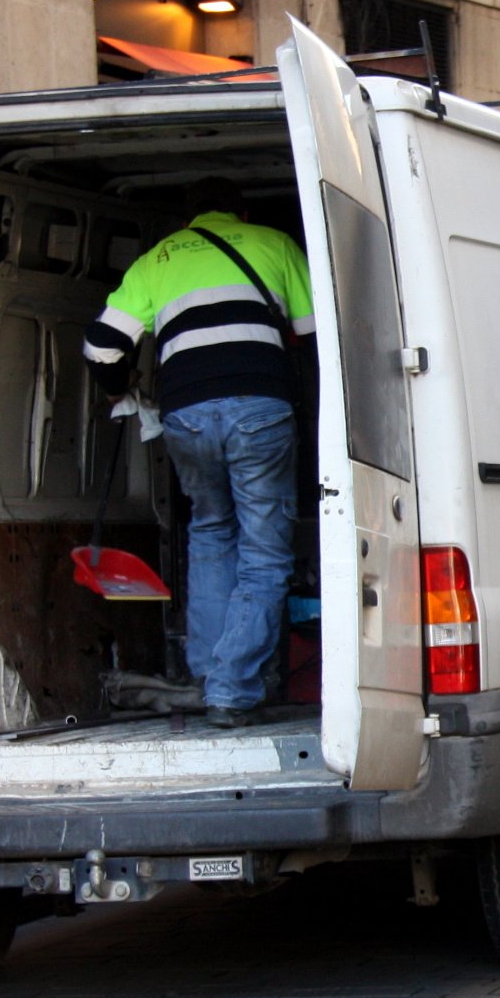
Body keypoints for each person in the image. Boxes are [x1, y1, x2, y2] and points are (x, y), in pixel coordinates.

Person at [83, 178, 316, 729]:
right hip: (260, 410)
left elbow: (100, 346)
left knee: (211, 531)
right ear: (240, 211)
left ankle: (208, 676)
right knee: (265, 550)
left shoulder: (154, 260)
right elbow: (309, 331)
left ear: (190, 219)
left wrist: (120, 388)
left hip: (184, 415)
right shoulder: (274, 242)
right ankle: (231, 690)